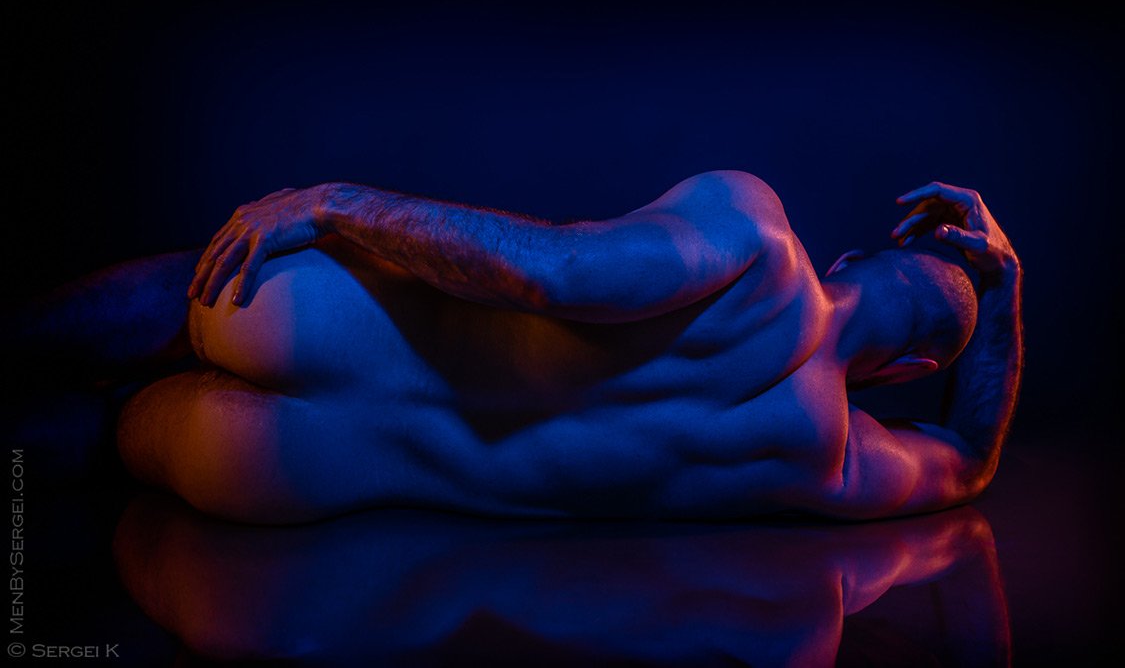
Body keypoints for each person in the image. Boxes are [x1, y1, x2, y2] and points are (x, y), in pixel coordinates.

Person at [15, 172, 1024, 523]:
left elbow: (557, 273)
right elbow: (968, 464)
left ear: (850, 258)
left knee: (185, 293)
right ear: (903, 373)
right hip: (286, 475)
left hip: (327, 329)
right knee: (109, 435)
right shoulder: (828, 461)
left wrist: (335, 203)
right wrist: (1005, 287)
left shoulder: (758, 241)